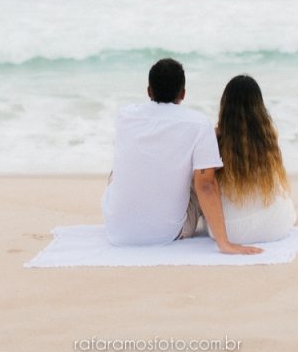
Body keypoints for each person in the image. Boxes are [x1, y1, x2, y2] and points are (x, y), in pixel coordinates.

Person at [102, 58, 262, 255]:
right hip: (168, 233)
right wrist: (224, 243)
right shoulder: (198, 124)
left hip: (117, 230)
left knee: (117, 172)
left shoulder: (125, 115)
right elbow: (206, 185)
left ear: (149, 91)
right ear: (183, 93)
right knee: (200, 176)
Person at [208, 74, 296, 244]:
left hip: (229, 231)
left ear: (225, 105)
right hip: (275, 227)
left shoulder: (214, 138)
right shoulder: (267, 136)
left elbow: (205, 185)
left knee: (200, 180)